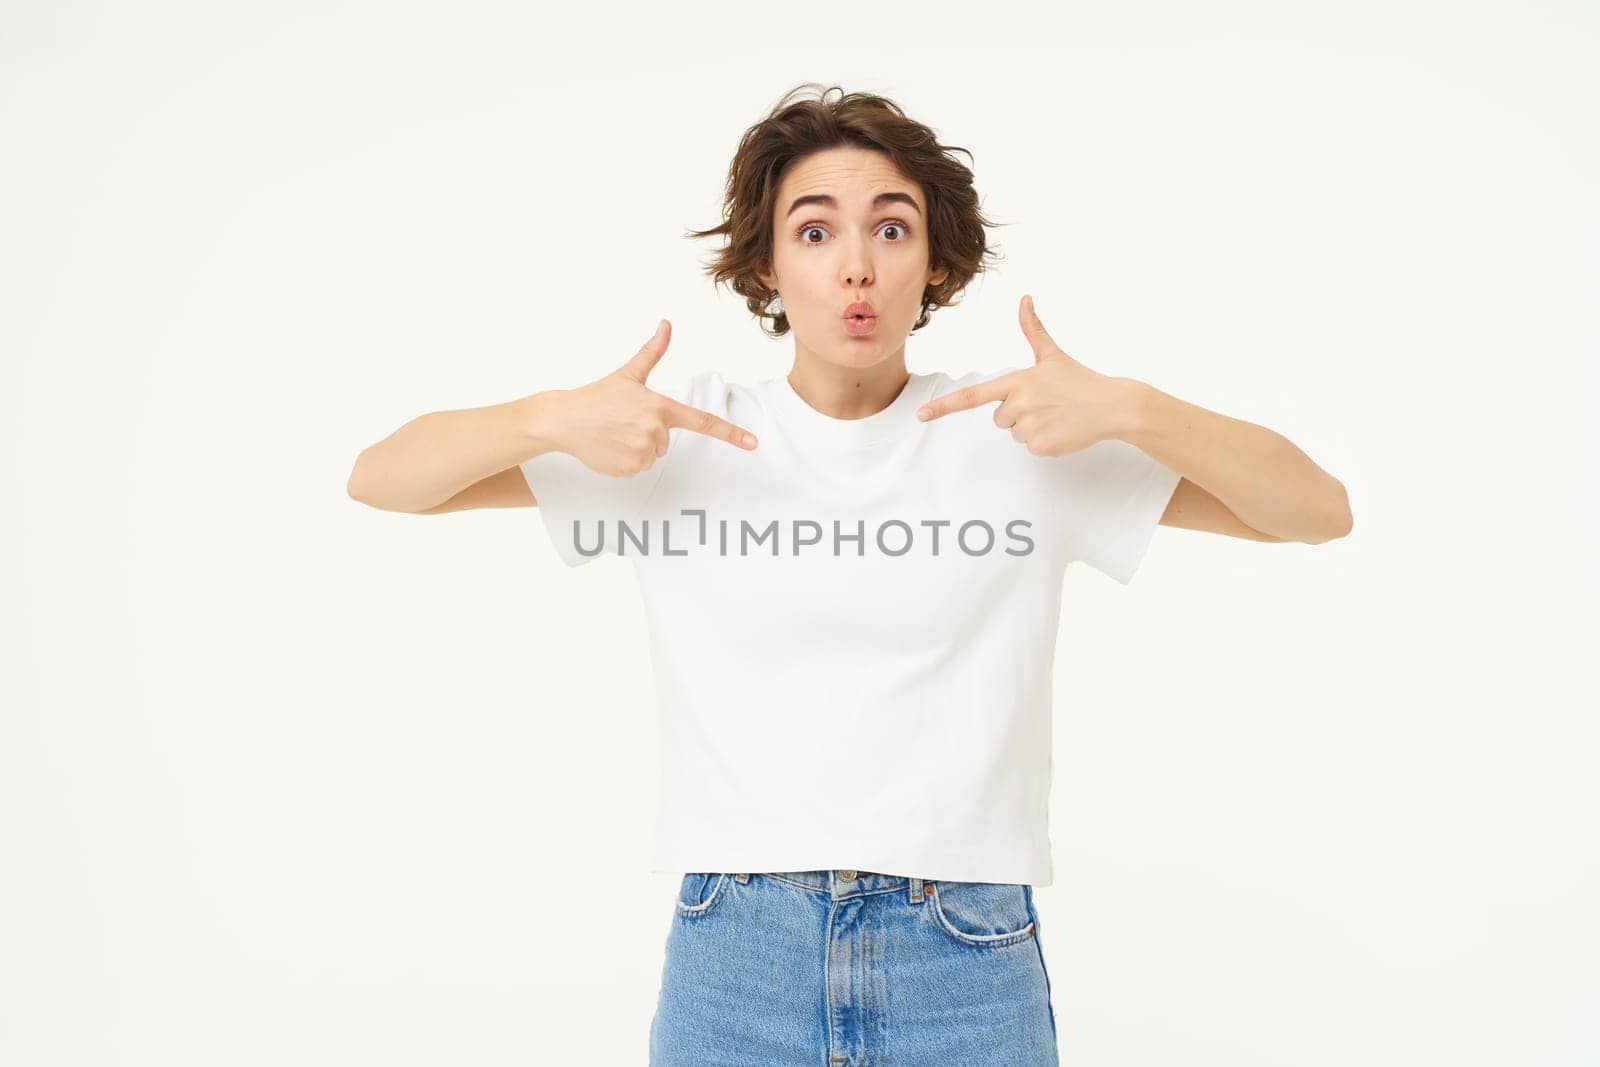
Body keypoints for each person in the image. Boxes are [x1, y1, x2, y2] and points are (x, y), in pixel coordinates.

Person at [347, 82, 1353, 1066]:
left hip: (962, 957)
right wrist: (546, 418)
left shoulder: (1020, 432)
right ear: (768, 267)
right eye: (816, 232)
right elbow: (383, 479)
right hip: (735, 956)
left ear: (936, 261)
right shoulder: (677, 434)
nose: (856, 269)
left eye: (892, 228)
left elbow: (1314, 510)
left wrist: (1134, 407)